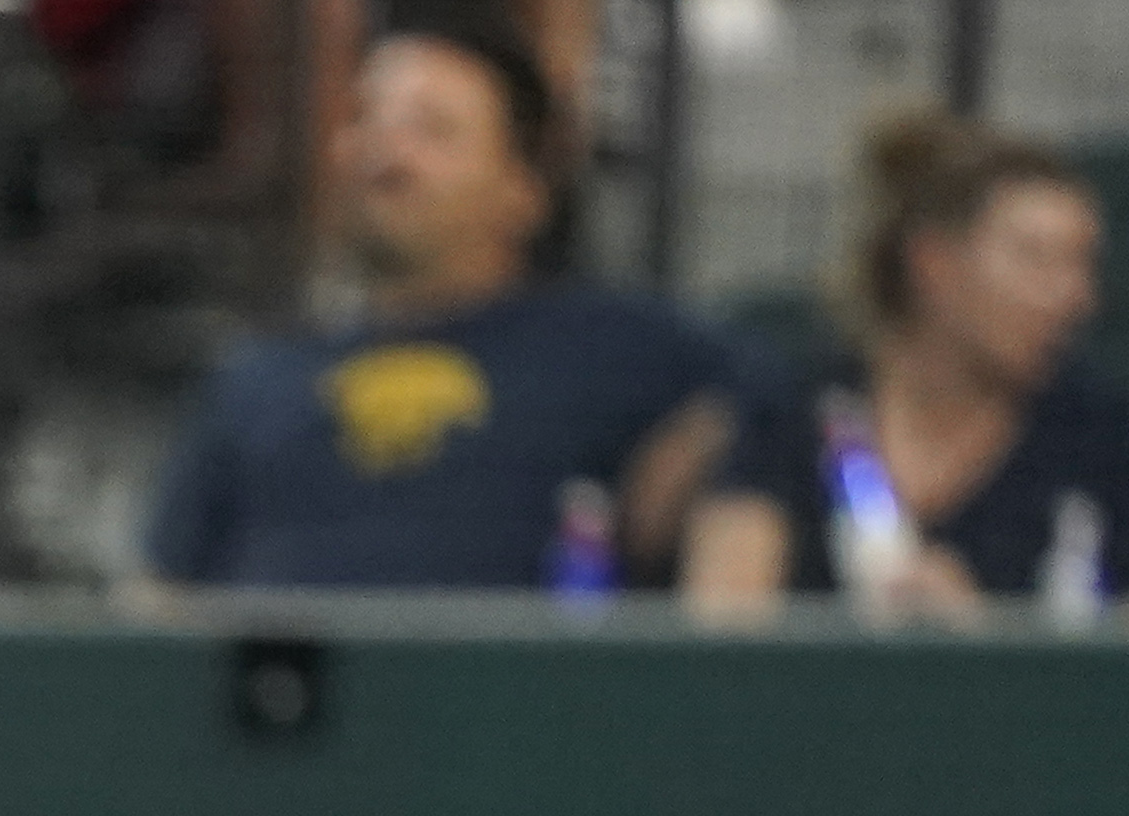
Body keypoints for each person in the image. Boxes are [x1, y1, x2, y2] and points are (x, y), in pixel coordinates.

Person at [140, 11, 730, 593]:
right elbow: (155, 616)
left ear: (524, 190)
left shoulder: (616, 350)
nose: (385, 148)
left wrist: (711, 464)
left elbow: (772, 401)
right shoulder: (256, 381)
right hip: (292, 681)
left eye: (432, 128)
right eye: (363, 116)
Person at [684, 111, 1129, 616]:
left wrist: (983, 651)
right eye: (1038, 260)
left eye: (1082, 264)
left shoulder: (1093, 426)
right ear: (934, 263)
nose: (1076, 298)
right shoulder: (793, 411)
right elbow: (725, 626)